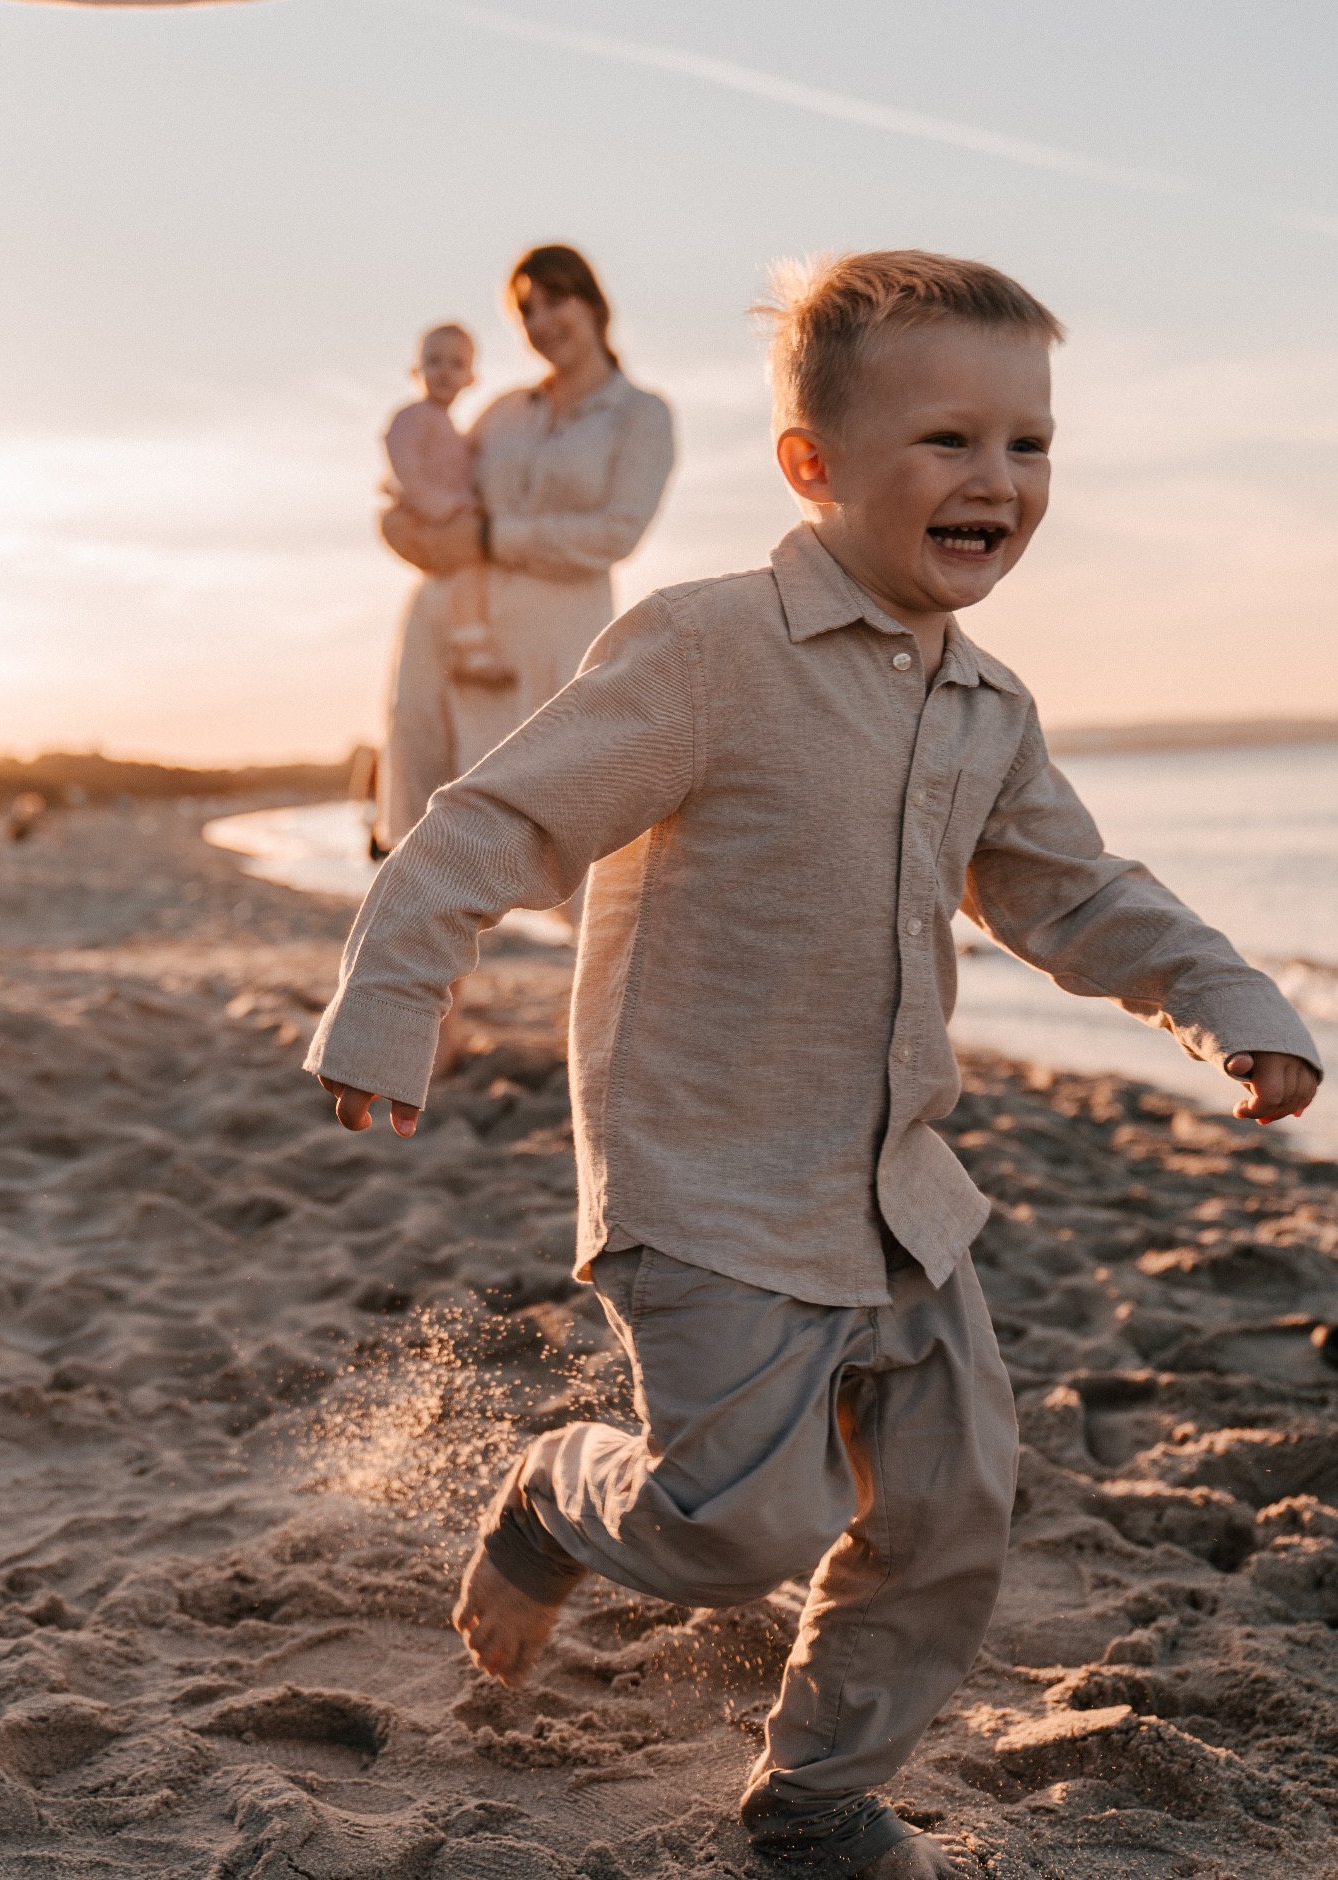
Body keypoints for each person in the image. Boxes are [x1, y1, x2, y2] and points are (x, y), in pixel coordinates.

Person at [306, 250, 1321, 1880]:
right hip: (705, 1182)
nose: (997, 479)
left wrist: (1225, 997)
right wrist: (390, 995)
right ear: (813, 464)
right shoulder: (710, 650)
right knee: (740, 1522)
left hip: (905, 1192)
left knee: (949, 1509)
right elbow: (502, 813)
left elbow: (1070, 889)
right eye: (949, 440)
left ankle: (815, 1796)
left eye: (1029, 444)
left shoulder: (988, 704)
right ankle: (557, 1494)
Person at [375, 244, 676, 854]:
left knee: (563, 851)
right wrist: (400, 527)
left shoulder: (640, 415)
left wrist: (492, 539)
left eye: (553, 301)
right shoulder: (501, 413)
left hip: (554, 658)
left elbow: (617, 533)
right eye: (525, 311)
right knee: (426, 848)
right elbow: (440, 491)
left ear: (592, 302)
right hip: (446, 638)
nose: (540, 323)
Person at [381, 323, 515, 693]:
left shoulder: (452, 429)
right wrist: (443, 510)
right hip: (433, 518)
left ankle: (469, 645)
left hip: (448, 516)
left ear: (471, 378)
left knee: (471, 575)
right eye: (434, 361)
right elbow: (405, 469)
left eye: (456, 364)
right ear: (416, 371)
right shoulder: (412, 417)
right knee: (466, 570)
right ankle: (470, 650)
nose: (444, 371)